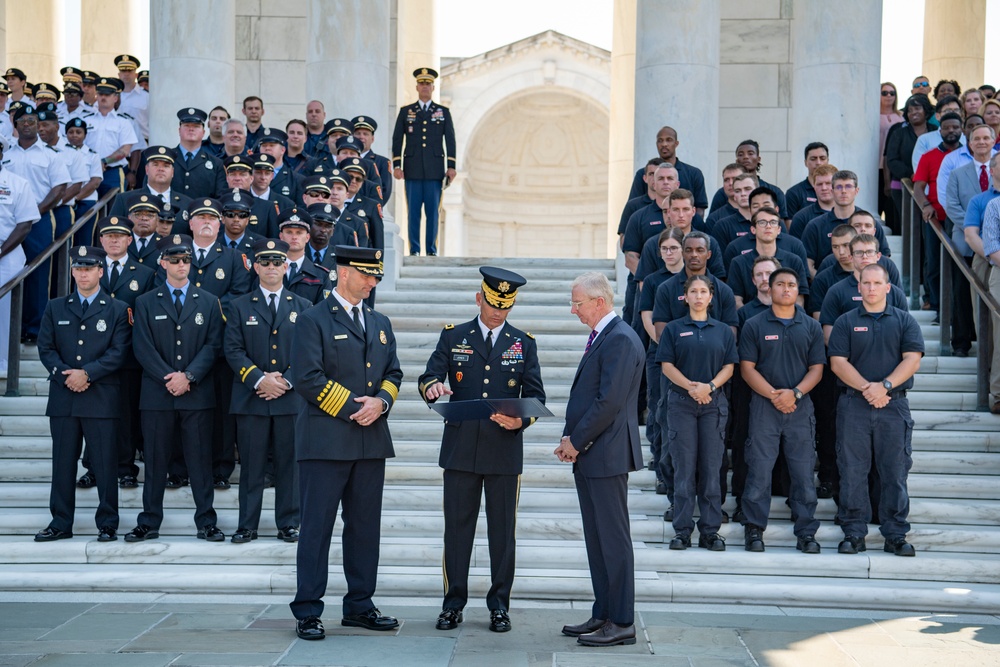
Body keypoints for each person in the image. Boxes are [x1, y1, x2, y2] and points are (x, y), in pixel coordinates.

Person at [418, 267, 545, 633]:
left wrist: (522, 421)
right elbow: (429, 376)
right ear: (479, 298)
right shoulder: (454, 336)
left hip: (504, 450)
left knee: (502, 533)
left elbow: (535, 397)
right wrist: (431, 389)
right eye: (492, 304)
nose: (497, 312)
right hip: (460, 448)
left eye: (505, 307)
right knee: (457, 530)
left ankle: (499, 605)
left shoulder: (524, 343)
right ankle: (452, 604)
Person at [288, 245, 402, 641]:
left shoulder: (380, 321)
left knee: (365, 528)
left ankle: (359, 605)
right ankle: (308, 610)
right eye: (367, 274)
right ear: (343, 272)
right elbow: (306, 377)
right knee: (317, 528)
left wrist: (382, 401)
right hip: (325, 440)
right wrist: (358, 407)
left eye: (376, 276)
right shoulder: (312, 318)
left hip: (370, 442)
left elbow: (394, 373)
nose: (372, 282)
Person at [556, 272, 643, 647]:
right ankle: (604, 612)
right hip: (592, 454)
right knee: (597, 539)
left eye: (577, 303)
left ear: (598, 302)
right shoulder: (605, 337)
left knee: (613, 539)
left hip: (604, 453)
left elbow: (608, 402)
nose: (574, 310)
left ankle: (621, 620)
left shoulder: (620, 339)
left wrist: (576, 441)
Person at [124, 234, 225, 543]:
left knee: (199, 461)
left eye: (186, 260)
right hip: (157, 394)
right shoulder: (144, 301)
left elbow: (213, 346)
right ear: (163, 263)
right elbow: (142, 347)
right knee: (155, 461)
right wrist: (170, 377)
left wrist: (189, 376)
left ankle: (206, 521)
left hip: (197, 394)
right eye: (176, 260)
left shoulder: (208, 301)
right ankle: (149, 521)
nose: (182, 265)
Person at [33, 245, 131, 543]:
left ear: (101, 271)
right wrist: (67, 377)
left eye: (89, 268)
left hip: (100, 397)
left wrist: (87, 374)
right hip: (64, 397)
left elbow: (119, 352)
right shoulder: (56, 306)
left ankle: (108, 522)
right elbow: (45, 348)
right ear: (73, 271)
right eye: (79, 268)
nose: (83, 273)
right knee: (63, 463)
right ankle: (61, 522)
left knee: (104, 463)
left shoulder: (117, 308)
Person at [829, 264, 924, 557]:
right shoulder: (845, 322)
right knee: (853, 471)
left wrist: (883, 386)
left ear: (887, 288)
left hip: (894, 405)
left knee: (894, 471)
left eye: (876, 283)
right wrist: (868, 390)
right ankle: (854, 532)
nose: (870, 288)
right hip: (853, 406)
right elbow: (838, 363)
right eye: (865, 283)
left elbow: (912, 359)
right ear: (859, 288)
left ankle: (895, 533)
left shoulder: (905, 321)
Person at [224, 238, 308, 544]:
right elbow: (232, 350)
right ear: (256, 267)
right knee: (252, 466)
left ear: (287, 267)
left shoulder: (304, 307)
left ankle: (289, 523)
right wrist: (260, 379)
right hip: (252, 399)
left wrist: (285, 381)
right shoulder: (238, 306)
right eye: (265, 262)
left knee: (290, 465)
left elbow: (309, 353)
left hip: (289, 400)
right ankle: (247, 524)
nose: (271, 268)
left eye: (277, 262)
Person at [738, 268, 826, 554]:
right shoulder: (754, 324)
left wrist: (795, 393)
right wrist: (775, 395)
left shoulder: (811, 326)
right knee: (759, 469)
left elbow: (817, 369)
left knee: (802, 471)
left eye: (791, 284)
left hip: (800, 408)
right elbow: (747, 368)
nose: (786, 289)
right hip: (765, 407)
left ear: (798, 289)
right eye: (780, 284)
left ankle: (806, 531)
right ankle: (753, 529)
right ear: (769, 288)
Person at [657, 274, 737, 552]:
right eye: (694, 291)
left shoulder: (723, 330)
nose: (699, 296)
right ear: (686, 297)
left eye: (704, 291)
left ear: (711, 297)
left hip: (713, 404)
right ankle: (681, 531)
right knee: (684, 468)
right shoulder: (674, 329)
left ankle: (710, 531)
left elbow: (730, 366)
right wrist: (691, 387)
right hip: (682, 403)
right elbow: (666, 365)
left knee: (711, 468)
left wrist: (709, 386)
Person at [95, 216, 155, 488]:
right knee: (93, 415)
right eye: (109, 236)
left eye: (120, 236)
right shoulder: (89, 270)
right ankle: (93, 467)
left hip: (129, 358)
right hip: (95, 357)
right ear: (101, 240)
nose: (114, 240)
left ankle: (125, 467)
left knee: (127, 415)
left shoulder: (144, 274)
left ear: (130, 240)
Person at [4, 105, 69, 343]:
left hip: (38, 221)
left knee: (38, 273)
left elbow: (59, 189)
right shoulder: (7, 154)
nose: (29, 124)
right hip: (7, 223)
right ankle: (13, 326)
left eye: (32, 121)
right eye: (23, 121)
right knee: (10, 273)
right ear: (16, 125)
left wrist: (32, 212)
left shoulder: (51, 155)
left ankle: (34, 328)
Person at [391, 67, 456, 256]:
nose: (425, 87)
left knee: (433, 214)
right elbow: (397, 139)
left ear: (433, 87)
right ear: (417, 87)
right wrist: (397, 165)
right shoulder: (406, 112)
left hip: (436, 171)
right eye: (422, 83)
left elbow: (450, 140)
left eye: (428, 84)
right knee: (413, 213)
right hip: (412, 169)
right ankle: (415, 250)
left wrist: (451, 166)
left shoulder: (443, 112)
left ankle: (431, 250)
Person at [912, 112, 965, 317]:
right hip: (935, 218)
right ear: (940, 130)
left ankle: (956, 311)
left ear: (961, 130)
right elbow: (918, 188)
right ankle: (936, 306)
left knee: (959, 265)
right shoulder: (929, 156)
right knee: (933, 262)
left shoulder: (967, 155)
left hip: (962, 220)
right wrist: (925, 205)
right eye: (947, 128)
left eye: (955, 127)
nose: (951, 131)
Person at [0, 135, 40, 378]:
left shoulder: (16, 182)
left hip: (8, 256)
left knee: (5, 312)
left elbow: (25, 224)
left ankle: (4, 364)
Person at [626, 126, 708, 211]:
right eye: (660, 141)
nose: (664, 144)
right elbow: (633, 206)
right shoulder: (643, 173)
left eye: (669, 140)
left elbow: (700, 209)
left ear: (676, 143)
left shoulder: (694, 174)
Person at [83, 77, 136, 196]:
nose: (103, 97)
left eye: (107, 95)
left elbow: (125, 150)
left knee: (114, 208)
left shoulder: (123, 122)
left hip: (112, 172)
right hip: (87, 171)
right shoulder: (85, 120)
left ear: (115, 98)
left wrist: (104, 162)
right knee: (88, 207)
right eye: (101, 94)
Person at [885, 94, 934, 222]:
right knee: (908, 222)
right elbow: (891, 159)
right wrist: (911, 174)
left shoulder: (935, 132)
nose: (913, 113)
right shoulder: (898, 133)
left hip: (932, 186)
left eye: (917, 109)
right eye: (910, 110)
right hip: (903, 186)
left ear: (926, 110)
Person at [709, 140, 786, 216]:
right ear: (737, 161)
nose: (745, 157)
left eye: (750, 153)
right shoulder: (723, 193)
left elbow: (781, 223)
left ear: (758, 159)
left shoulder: (775, 191)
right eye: (741, 154)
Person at [172, 107, 226, 199]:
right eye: (187, 125)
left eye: (196, 126)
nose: (191, 129)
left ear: (203, 132)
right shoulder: (167, 158)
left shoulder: (216, 164)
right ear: (179, 130)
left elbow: (220, 198)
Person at [879, 83, 904, 233]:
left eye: (892, 93)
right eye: (884, 93)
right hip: (875, 165)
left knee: (892, 206)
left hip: (893, 165)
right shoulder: (871, 115)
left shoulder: (901, 117)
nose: (889, 96)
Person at [785, 142, 830, 220]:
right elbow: (791, 229)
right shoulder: (794, 193)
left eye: (822, 158)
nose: (818, 163)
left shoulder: (836, 190)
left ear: (828, 161)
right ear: (805, 162)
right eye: (813, 159)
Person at [352, 115, 392, 203]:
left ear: (372, 139)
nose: (361, 137)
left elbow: (384, 192)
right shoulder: (344, 159)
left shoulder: (382, 162)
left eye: (365, 134)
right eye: (358, 133)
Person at [115, 54, 148, 142]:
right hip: (118, 142)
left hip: (142, 142)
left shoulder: (147, 97)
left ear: (136, 75)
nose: (126, 74)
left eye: (130, 70)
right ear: (119, 74)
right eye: (123, 71)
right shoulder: (112, 96)